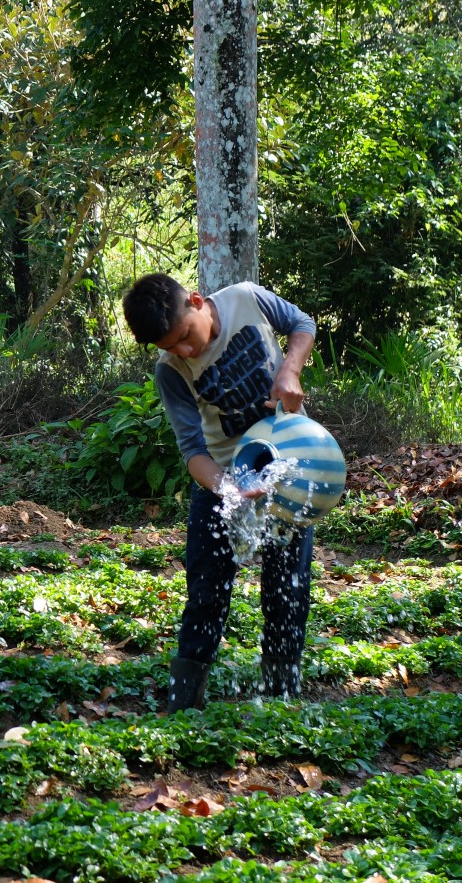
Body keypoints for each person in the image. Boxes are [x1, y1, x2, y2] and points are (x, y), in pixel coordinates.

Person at [121, 273, 317, 712]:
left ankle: (281, 698)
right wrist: (229, 488)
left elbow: (303, 323)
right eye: (172, 348)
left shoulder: (246, 299)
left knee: (287, 587)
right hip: (223, 479)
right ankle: (184, 704)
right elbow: (193, 451)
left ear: (195, 301)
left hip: (289, 466)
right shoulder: (170, 372)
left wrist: (290, 367)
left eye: (186, 337)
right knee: (206, 592)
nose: (185, 352)